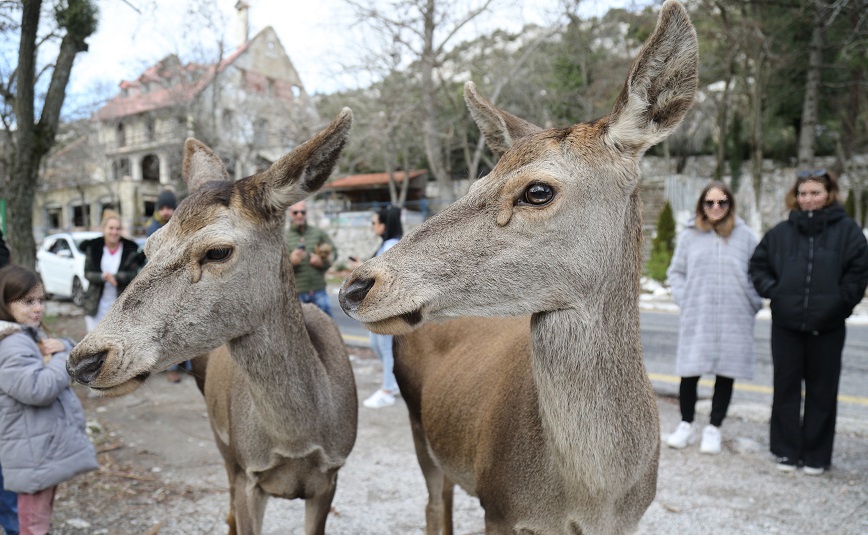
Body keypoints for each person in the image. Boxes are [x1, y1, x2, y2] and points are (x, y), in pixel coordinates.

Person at [749, 169, 868, 475]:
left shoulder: (848, 232)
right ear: (796, 196)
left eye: (815, 192)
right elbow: (758, 265)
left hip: (828, 327)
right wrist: (776, 293)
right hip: (786, 326)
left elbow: (859, 273)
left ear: (829, 194)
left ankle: (816, 454)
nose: (808, 199)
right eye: (803, 193)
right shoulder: (781, 233)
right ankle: (786, 450)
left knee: (822, 391)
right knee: (786, 388)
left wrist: (841, 303)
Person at [0, 265, 99, 535]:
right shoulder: (11, 344)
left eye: (41, 300)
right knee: (31, 526)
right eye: (28, 301)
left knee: (36, 520)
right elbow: (37, 389)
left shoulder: (25, 335)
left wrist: (64, 346)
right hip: (30, 455)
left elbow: (55, 347)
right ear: (5, 302)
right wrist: (61, 359)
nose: (38, 308)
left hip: (38, 449)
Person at [665, 182, 763, 454]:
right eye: (710, 203)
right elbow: (676, 273)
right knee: (690, 371)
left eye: (722, 203)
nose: (716, 208)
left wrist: (752, 302)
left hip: (734, 314)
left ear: (730, 205)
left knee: (726, 373)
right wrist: (685, 299)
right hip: (699, 312)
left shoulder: (745, 236)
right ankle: (686, 424)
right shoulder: (689, 235)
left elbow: (759, 272)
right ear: (702, 206)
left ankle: (714, 428)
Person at [351, 206, 403, 409]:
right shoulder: (388, 244)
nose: (373, 226)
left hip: (386, 308)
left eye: (374, 222)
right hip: (381, 308)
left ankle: (388, 390)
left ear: (384, 224)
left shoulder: (391, 245)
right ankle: (394, 382)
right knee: (378, 345)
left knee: (387, 348)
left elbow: (385, 277)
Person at [81, 211, 144, 333]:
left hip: (120, 304)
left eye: (118, 229)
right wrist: (103, 276)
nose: (114, 232)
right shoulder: (94, 248)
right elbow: (87, 273)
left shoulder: (129, 249)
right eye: (111, 228)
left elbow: (133, 274)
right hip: (96, 304)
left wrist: (116, 277)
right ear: (104, 229)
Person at [285, 201, 336, 316]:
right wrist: (290, 262)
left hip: (319, 291)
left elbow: (334, 254)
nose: (299, 215)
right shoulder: (283, 237)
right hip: (296, 293)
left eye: (303, 212)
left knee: (328, 328)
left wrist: (321, 262)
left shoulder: (318, 233)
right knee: (300, 332)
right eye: (296, 212)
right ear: (290, 214)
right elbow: (275, 268)